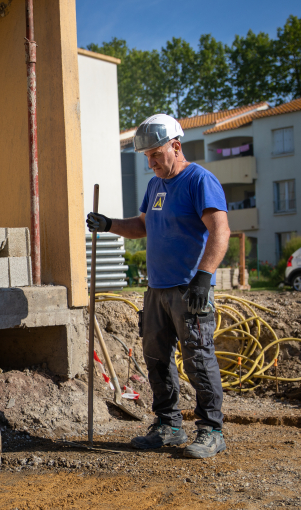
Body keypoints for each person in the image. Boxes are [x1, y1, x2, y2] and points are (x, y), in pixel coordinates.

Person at [87, 114, 230, 459]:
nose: (150, 163)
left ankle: (211, 430)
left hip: (189, 289)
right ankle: (168, 425)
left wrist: (204, 276)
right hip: (157, 290)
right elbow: (142, 226)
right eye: (146, 157)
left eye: (155, 155)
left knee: (198, 358)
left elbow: (220, 231)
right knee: (156, 358)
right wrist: (108, 224)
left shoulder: (200, 181)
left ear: (176, 146)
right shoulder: (155, 186)